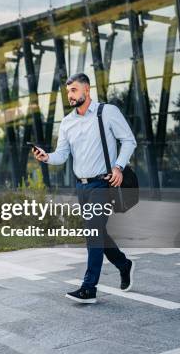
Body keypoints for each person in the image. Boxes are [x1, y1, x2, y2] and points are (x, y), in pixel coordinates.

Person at [33, 73, 137, 304]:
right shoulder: (68, 122)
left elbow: (129, 140)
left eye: (74, 90)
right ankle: (124, 263)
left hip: (103, 183)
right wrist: (47, 157)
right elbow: (62, 155)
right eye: (68, 91)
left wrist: (118, 167)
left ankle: (89, 288)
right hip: (81, 186)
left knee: (92, 233)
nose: (70, 95)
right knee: (97, 232)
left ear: (87, 90)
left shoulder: (107, 112)